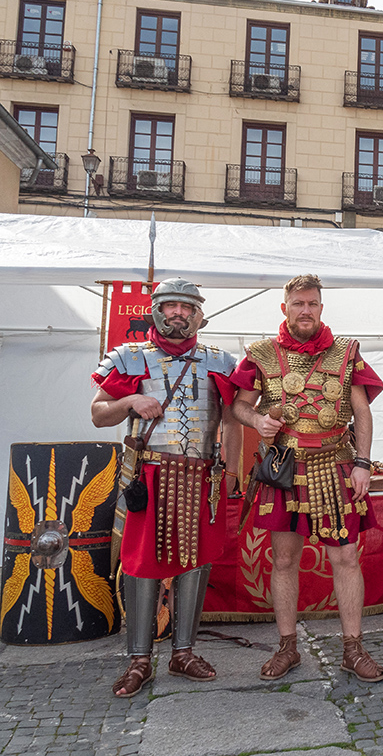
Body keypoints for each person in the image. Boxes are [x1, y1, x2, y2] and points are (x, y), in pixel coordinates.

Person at [231, 274, 383, 683]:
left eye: (312, 303)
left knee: (346, 557)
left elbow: (363, 412)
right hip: (285, 467)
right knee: (283, 559)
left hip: (336, 464)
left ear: (321, 307)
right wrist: (258, 419)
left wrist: (364, 463)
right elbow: (239, 405)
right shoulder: (261, 354)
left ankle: (353, 647)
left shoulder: (346, 352)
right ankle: (287, 647)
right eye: (298, 303)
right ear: (285, 308)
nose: (305, 310)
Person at [91, 278, 241, 698]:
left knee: (195, 561)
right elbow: (98, 414)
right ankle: (139, 659)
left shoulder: (220, 361)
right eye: (170, 306)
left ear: (199, 314)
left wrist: (229, 472)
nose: (178, 313)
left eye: (186, 307)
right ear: (155, 310)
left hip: (200, 476)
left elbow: (232, 417)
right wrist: (129, 403)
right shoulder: (128, 357)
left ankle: (183, 652)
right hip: (150, 475)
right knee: (142, 564)